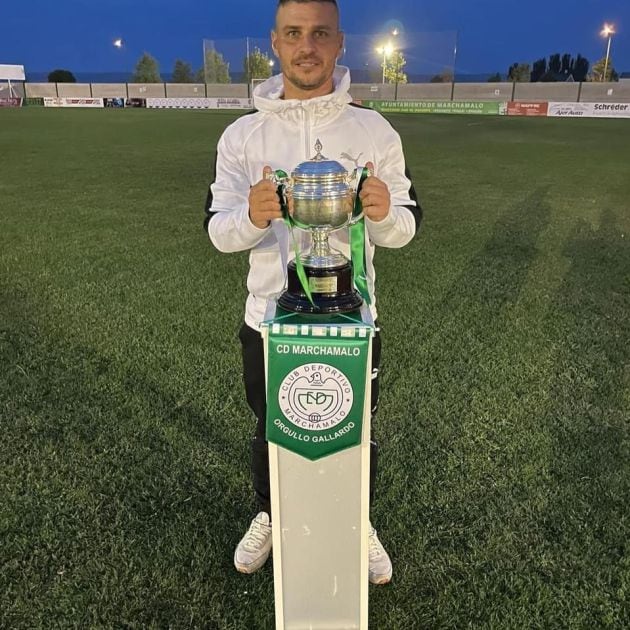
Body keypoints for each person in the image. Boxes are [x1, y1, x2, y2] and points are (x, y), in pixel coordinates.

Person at [204, 0, 421, 585]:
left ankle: (357, 519)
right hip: (269, 317)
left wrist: (380, 213)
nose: (307, 46)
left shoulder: (373, 130)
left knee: (357, 425)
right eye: (294, 34)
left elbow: (406, 226)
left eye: (320, 33)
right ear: (275, 43)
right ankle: (272, 513)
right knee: (272, 423)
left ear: (339, 42)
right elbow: (218, 232)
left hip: (352, 318)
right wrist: (250, 217)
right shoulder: (242, 135)